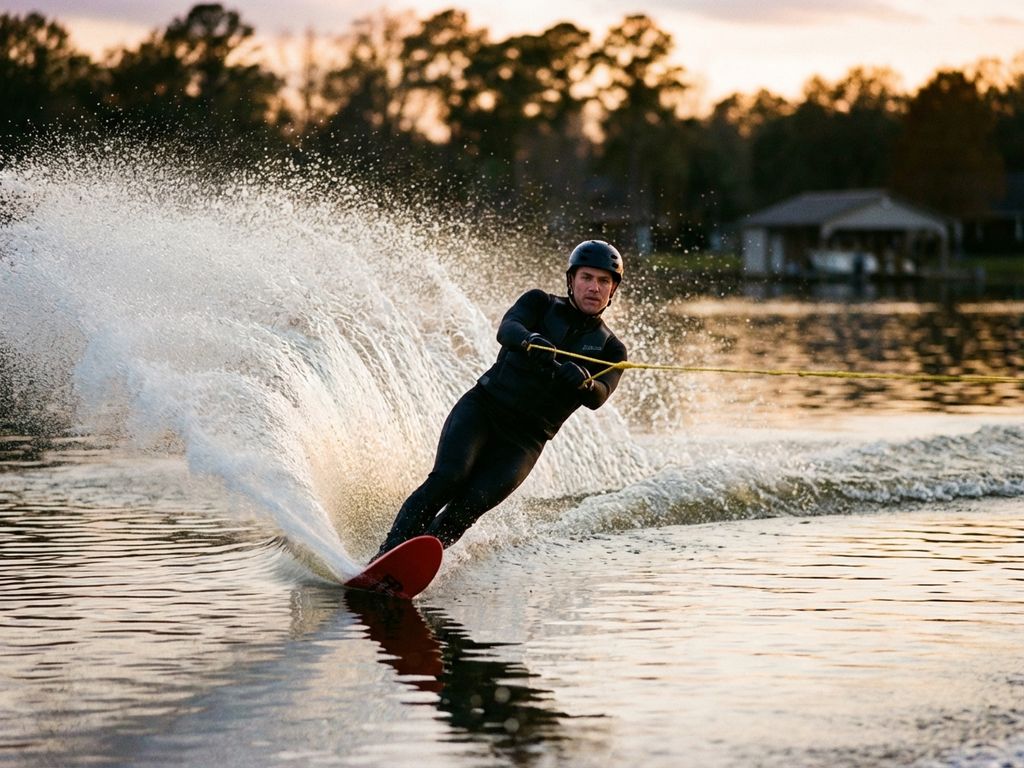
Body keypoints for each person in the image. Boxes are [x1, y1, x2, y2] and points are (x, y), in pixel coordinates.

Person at [375, 240, 628, 557]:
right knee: (448, 479)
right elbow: (508, 329)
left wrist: (585, 383)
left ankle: (410, 563)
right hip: (484, 409)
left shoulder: (611, 349)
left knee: (468, 508)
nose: (594, 287)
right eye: (587, 277)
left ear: (613, 289)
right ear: (572, 280)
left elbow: (599, 397)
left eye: (604, 281)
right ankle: (387, 551)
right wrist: (530, 340)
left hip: (525, 441)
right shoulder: (539, 304)